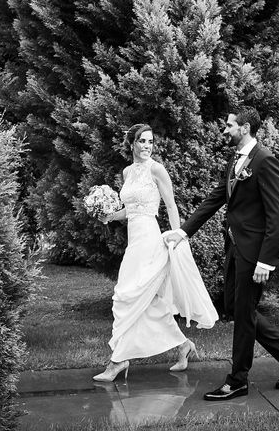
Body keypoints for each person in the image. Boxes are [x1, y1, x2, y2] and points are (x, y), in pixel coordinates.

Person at [163, 109, 279, 401]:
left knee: (242, 314)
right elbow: (216, 197)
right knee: (233, 305)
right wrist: (184, 231)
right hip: (235, 247)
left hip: (254, 253)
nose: (225, 130)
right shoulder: (234, 160)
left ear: (245, 127)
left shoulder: (265, 161)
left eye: (229, 125)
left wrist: (266, 261)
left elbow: (278, 216)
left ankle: (238, 379)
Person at [92, 123, 218, 382]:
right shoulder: (127, 172)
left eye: (150, 142)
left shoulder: (157, 169)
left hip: (150, 240)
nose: (147, 146)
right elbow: (130, 210)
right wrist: (109, 216)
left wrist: (178, 237)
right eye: (142, 141)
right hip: (134, 240)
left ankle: (117, 362)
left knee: (126, 296)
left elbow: (171, 205)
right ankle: (183, 346)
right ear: (132, 144)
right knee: (147, 304)